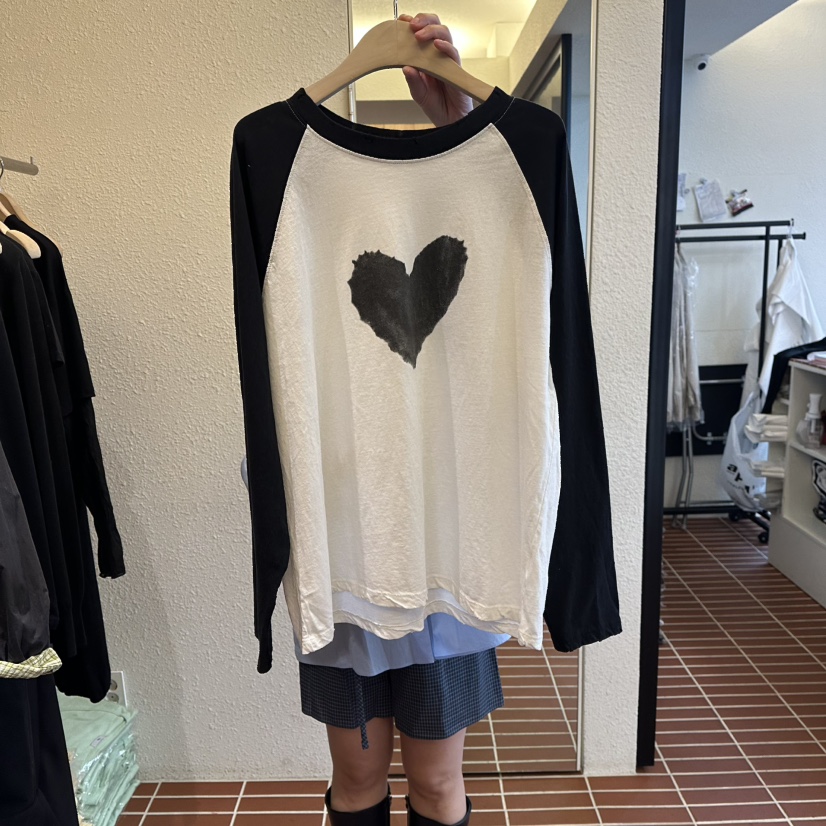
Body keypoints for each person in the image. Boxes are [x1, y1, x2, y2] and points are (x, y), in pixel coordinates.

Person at [304, 14, 506, 826]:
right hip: (341, 540)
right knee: (356, 780)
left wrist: (463, 129)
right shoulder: (294, 188)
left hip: (444, 551)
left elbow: (502, 328)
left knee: (437, 782)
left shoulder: (483, 220)